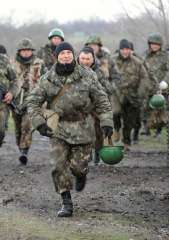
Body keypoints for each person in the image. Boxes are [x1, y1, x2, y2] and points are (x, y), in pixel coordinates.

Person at [27, 42, 113, 217]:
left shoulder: (87, 75)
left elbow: (101, 99)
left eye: (68, 52)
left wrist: (106, 122)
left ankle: (81, 175)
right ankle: (66, 202)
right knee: (59, 166)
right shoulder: (48, 78)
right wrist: (39, 123)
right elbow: (33, 102)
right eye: (62, 53)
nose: (66, 55)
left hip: (83, 127)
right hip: (58, 128)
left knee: (78, 167)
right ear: (56, 57)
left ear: (73, 55)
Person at [77, 46, 113, 165]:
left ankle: (97, 153)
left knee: (98, 133)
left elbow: (108, 89)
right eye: (83, 58)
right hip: (80, 108)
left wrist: (97, 92)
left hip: (96, 107)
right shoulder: (73, 71)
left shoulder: (99, 72)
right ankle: (86, 155)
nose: (85, 61)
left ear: (93, 60)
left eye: (88, 59)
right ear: (78, 58)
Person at [12, 38, 45, 165]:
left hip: (32, 100)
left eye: (28, 50)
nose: (26, 53)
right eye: (23, 51)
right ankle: (21, 147)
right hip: (15, 101)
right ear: (19, 52)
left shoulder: (39, 64)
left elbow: (44, 80)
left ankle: (24, 151)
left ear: (32, 51)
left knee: (27, 125)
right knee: (17, 128)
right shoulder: (12, 64)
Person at [112, 39, 149, 150]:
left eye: (127, 49)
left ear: (130, 50)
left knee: (129, 121)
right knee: (115, 113)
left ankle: (126, 142)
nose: (125, 51)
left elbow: (144, 78)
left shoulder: (137, 62)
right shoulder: (112, 61)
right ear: (120, 50)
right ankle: (116, 129)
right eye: (123, 49)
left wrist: (141, 93)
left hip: (132, 96)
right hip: (116, 94)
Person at [85, 35, 121, 141]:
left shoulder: (107, 58)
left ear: (99, 46)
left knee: (101, 125)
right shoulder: (82, 57)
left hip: (103, 97)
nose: (93, 47)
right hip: (85, 97)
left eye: (95, 45)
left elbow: (117, 76)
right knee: (87, 124)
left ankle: (97, 150)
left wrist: (110, 87)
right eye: (90, 45)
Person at [143, 33, 169, 137]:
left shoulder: (165, 56)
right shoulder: (145, 55)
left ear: (160, 45)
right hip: (148, 87)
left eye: (156, 44)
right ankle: (146, 129)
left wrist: (166, 81)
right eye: (152, 44)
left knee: (161, 110)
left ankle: (159, 130)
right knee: (146, 109)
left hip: (161, 87)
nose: (154, 46)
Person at [0, 45, 18, 146]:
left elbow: (15, 80)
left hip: (2, 103)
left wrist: (11, 93)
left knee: (1, 131)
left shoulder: (4, 61)